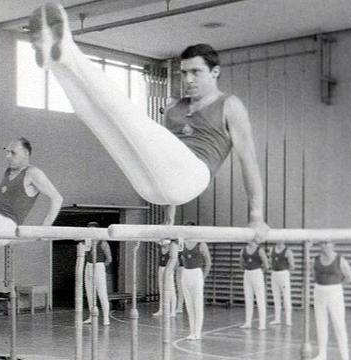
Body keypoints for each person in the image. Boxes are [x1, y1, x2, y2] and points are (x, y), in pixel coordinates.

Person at [27, 3, 268, 241]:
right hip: (154, 190)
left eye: (196, 72)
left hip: (194, 177)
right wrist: (168, 222)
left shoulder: (230, 105)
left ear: (215, 72)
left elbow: (249, 163)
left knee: (124, 114)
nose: (189, 79)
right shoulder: (174, 106)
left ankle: (68, 50)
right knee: (99, 121)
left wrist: (256, 217)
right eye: (184, 73)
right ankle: (54, 62)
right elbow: (159, 156)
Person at [311, 240, 351, 360]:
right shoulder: (315, 260)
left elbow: (349, 277)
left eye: (326, 243)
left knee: (339, 324)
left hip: (335, 292)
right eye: (321, 244)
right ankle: (322, 354)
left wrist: (336, 286)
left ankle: (345, 356)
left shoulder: (340, 260)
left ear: (333, 245)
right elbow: (313, 274)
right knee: (321, 323)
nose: (323, 246)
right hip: (319, 291)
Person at [180, 237, 212, 340]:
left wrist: (203, 277)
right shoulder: (183, 243)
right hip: (185, 273)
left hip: (196, 273)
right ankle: (191, 332)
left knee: (197, 305)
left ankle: (197, 332)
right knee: (189, 306)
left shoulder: (201, 244)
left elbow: (208, 262)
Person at [83, 222, 112, 326]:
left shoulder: (103, 243)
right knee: (90, 294)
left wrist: (100, 266)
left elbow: (109, 259)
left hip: (99, 266)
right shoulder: (87, 241)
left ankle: (106, 318)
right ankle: (91, 316)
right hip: (88, 266)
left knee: (102, 293)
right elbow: (84, 253)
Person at [239, 240, 268, 330]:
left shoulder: (259, 250)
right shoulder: (243, 250)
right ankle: (248, 322)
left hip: (257, 273)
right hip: (247, 274)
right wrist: (247, 269)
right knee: (248, 299)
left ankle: (262, 324)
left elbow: (266, 265)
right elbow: (241, 263)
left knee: (260, 299)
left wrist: (259, 272)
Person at [270, 240, 294, 326]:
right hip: (274, 274)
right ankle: (277, 319)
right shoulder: (271, 249)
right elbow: (271, 261)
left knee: (286, 297)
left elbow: (292, 265)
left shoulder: (287, 251)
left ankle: (288, 320)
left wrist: (286, 274)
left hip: (283, 274)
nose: (279, 241)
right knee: (276, 297)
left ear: (284, 240)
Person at [153, 240, 177, 317]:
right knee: (161, 290)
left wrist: (171, 270)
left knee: (171, 290)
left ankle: (173, 311)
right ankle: (161, 310)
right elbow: (157, 241)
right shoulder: (160, 246)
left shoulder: (171, 247)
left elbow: (175, 261)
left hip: (169, 269)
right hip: (161, 268)